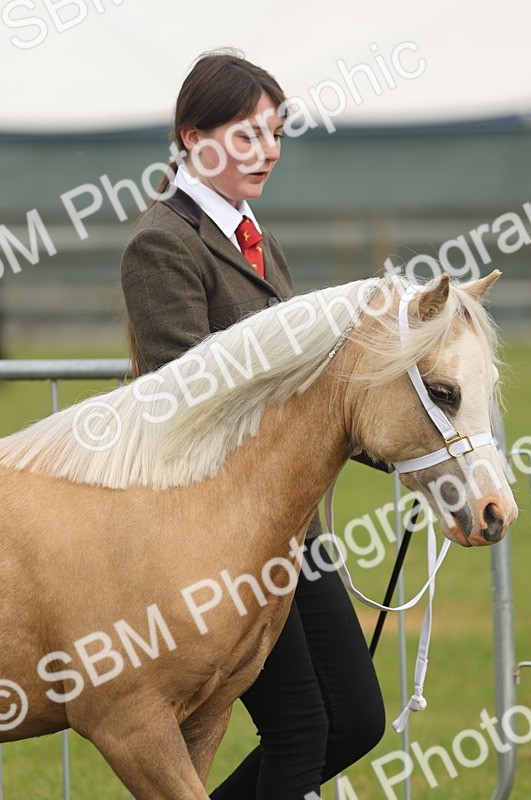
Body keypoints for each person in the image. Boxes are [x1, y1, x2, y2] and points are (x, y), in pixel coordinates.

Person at [120, 51, 386, 799]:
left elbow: (304, 389)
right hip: (220, 533)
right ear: (191, 136)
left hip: (287, 524)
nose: (266, 151)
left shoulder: (258, 240)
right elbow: (184, 397)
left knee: (357, 721)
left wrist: (406, 450)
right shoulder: (161, 244)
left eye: (275, 133)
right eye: (245, 135)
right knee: (303, 725)